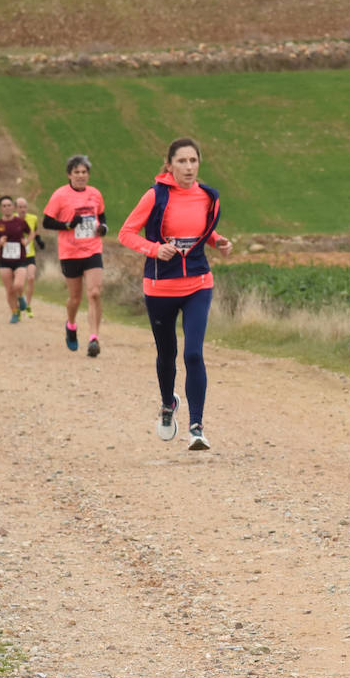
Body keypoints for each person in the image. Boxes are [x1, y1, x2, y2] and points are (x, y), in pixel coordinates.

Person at [118, 137, 232, 451]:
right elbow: (126, 233)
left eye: (193, 161)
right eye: (181, 161)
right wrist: (154, 249)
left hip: (198, 283)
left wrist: (218, 241)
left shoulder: (208, 197)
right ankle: (168, 404)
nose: (188, 167)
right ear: (169, 165)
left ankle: (197, 427)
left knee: (193, 353)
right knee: (166, 354)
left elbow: (201, 231)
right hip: (159, 287)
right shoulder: (155, 195)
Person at [42, 154, 106, 356]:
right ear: (69, 175)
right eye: (76, 172)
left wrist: (103, 227)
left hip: (93, 249)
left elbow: (101, 215)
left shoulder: (95, 193)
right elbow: (47, 222)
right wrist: (68, 225)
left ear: (88, 175)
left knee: (94, 292)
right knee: (75, 298)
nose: (80, 175)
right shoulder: (60, 195)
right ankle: (71, 325)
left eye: (84, 172)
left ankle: (94, 338)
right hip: (69, 252)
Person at [0, 196, 32, 324]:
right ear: (1, 208)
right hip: (5, 260)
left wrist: (27, 241)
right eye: (4, 206)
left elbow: (31, 232)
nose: (7, 208)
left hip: (20, 259)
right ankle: (14, 312)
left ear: (13, 207)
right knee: (9, 289)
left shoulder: (20, 222)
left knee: (18, 285)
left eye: (9, 205)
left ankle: (21, 297)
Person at [14, 195, 42, 315]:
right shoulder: (11, 219)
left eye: (25, 207)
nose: (23, 209)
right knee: (18, 283)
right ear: (15, 208)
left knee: (31, 278)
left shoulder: (33, 218)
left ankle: (27, 305)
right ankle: (18, 301)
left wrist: (39, 241)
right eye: (20, 207)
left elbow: (35, 231)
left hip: (30, 254)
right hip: (16, 255)